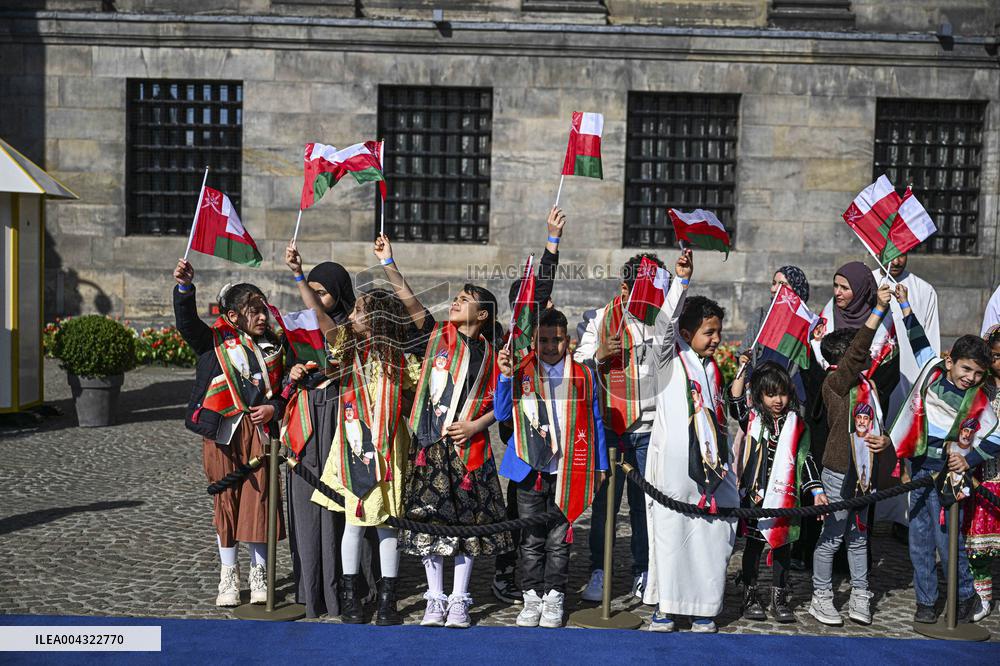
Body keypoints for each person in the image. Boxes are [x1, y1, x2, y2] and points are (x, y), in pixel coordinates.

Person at [376, 233, 514, 629]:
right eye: (456, 298)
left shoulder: (491, 354)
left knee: (467, 525)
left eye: (465, 299)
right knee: (429, 522)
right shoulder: (435, 337)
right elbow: (409, 300)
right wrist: (389, 263)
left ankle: (459, 599)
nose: (456, 302)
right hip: (430, 448)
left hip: (470, 450)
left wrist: (476, 425)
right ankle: (434, 597)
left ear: (483, 314)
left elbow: (499, 406)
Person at [288, 243, 420, 627]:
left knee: (386, 525)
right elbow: (320, 317)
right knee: (352, 522)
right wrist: (298, 275)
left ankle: (387, 599)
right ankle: (349, 598)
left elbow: (420, 389)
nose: (352, 315)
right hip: (352, 449)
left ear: (377, 318)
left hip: (389, 452)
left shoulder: (402, 359)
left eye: (360, 311)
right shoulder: (350, 350)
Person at [172, 258, 288, 608]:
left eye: (264, 309)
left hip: (258, 431)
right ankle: (228, 576)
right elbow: (187, 323)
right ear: (234, 316)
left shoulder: (276, 348)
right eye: (253, 310)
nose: (262, 317)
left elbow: (287, 390)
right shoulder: (213, 341)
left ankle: (260, 574)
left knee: (260, 501)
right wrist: (184, 288)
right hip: (222, 430)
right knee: (226, 502)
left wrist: (275, 409)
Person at [889, 285, 1000, 625]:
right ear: (951, 361)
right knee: (918, 538)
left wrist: (970, 458)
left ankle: (964, 594)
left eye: (979, 374)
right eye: (966, 370)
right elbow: (917, 339)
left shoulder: (979, 402)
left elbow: (996, 436)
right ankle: (926, 600)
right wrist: (905, 303)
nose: (971, 378)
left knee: (947, 539)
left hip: (948, 477)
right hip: (919, 468)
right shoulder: (933, 371)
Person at [642, 249, 738, 633]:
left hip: (712, 471)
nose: (716, 339)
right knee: (671, 535)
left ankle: (704, 607)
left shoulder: (713, 368)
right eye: (708, 332)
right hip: (674, 471)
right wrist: (681, 281)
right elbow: (664, 328)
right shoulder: (668, 358)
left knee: (711, 536)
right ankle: (666, 606)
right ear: (686, 334)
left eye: (718, 332)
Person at [494, 308, 608, 628]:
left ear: (567, 340)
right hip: (530, 468)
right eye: (542, 340)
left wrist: (599, 467)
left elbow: (596, 420)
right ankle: (531, 595)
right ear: (534, 340)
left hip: (567, 470)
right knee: (531, 539)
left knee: (560, 539)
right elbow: (503, 414)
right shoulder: (522, 370)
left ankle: (554, 594)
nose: (549, 347)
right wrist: (504, 376)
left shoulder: (583, 374)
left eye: (556, 340)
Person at [281, 254, 378, 619]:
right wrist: (294, 372)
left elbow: (328, 329)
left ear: (339, 293)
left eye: (323, 293)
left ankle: (354, 589)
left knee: (348, 504)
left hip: (342, 416)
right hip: (309, 417)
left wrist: (298, 275)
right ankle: (312, 589)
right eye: (313, 292)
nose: (317, 299)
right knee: (309, 503)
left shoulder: (356, 326)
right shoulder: (299, 327)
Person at [574, 253, 664, 603]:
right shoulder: (598, 319)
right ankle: (601, 568)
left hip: (647, 427)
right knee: (605, 504)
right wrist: (598, 355)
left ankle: (644, 569)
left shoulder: (659, 319)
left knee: (644, 505)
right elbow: (579, 370)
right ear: (625, 287)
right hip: (610, 427)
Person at [808, 283, 894, 627]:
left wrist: (883, 442)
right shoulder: (836, 382)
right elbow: (859, 350)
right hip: (838, 468)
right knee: (833, 536)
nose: (866, 356)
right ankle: (821, 595)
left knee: (859, 537)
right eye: (858, 354)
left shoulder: (867, 386)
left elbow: (877, 423)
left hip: (864, 469)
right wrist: (878, 309)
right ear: (844, 359)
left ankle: (860, 592)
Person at [493, 207, 565, 604]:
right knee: (515, 515)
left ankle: (542, 583)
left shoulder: (550, 346)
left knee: (546, 524)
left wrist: (552, 243)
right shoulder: (515, 342)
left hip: (551, 447)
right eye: (537, 302)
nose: (546, 304)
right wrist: (551, 243)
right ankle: (508, 575)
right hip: (520, 449)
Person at [729, 360, 827, 623]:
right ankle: (749, 593)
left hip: (786, 498)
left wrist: (816, 490)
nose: (778, 400)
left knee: (783, 547)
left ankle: (779, 597)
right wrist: (741, 368)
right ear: (760, 395)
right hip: (757, 497)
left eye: (783, 393)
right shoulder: (752, 420)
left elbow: (805, 459)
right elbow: (735, 402)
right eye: (770, 394)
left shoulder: (797, 425)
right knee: (753, 547)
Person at [963, 325, 1000, 621]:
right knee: (980, 546)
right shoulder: (978, 388)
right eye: (997, 356)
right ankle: (982, 596)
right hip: (983, 475)